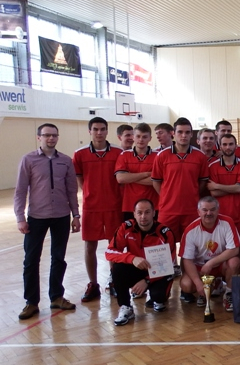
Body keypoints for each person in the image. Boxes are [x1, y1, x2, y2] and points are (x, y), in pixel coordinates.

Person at [15, 123, 80, 320]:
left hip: (61, 216)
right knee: (31, 260)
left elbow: (71, 190)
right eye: (46, 135)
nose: (51, 138)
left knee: (58, 258)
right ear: (39, 137)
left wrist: (76, 215)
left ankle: (57, 297)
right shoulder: (28, 159)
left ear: (57, 137)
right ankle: (31, 302)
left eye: (54, 135)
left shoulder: (66, 161)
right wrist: (20, 218)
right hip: (37, 217)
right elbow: (20, 190)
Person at [73, 116, 123, 302]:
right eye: (95, 129)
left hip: (114, 206)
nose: (99, 132)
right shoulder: (80, 154)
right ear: (90, 131)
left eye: (102, 129)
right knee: (89, 246)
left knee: (114, 246)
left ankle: (115, 281)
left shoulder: (118, 152)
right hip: (91, 207)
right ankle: (93, 284)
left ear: (107, 131)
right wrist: (90, 193)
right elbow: (80, 180)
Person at [105, 198, 176, 325]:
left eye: (147, 212)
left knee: (159, 297)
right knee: (118, 268)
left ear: (154, 213)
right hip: (137, 268)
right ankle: (125, 307)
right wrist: (131, 258)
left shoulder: (165, 233)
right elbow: (110, 252)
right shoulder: (126, 227)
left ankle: (158, 298)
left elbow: (168, 264)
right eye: (139, 212)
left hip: (159, 271)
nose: (143, 216)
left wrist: (147, 281)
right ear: (134, 214)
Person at [151, 117, 210, 241]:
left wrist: (192, 194)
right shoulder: (162, 156)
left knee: (192, 245)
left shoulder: (200, 156)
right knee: (166, 244)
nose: (184, 135)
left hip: (191, 210)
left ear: (191, 134)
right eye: (180, 132)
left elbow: (203, 181)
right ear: (173, 133)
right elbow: (156, 181)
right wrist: (167, 195)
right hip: (168, 210)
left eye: (187, 132)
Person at [179, 197, 240, 312]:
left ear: (218, 210)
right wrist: (198, 283)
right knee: (186, 285)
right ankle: (212, 285)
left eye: (212, 210)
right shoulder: (190, 230)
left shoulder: (227, 222)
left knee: (234, 261)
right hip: (200, 268)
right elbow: (187, 260)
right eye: (205, 210)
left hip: (221, 264)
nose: (209, 213)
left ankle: (229, 293)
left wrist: (211, 263)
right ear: (198, 212)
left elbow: (234, 250)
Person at [208, 133, 240, 238]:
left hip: (238, 214)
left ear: (236, 146)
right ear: (220, 146)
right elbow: (214, 193)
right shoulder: (212, 167)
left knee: (239, 245)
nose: (228, 147)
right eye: (225, 144)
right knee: (219, 245)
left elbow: (239, 189)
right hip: (218, 215)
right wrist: (233, 188)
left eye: (231, 144)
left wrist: (217, 185)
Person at [115, 123, 159, 221]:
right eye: (138, 136)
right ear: (133, 137)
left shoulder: (158, 156)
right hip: (130, 206)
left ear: (150, 138)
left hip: (153, 205)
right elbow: (121, 179)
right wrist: (146, 174)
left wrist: (130, 177)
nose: (141, 140)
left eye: (144, 137)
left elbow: (156, 181)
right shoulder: (124, 155)